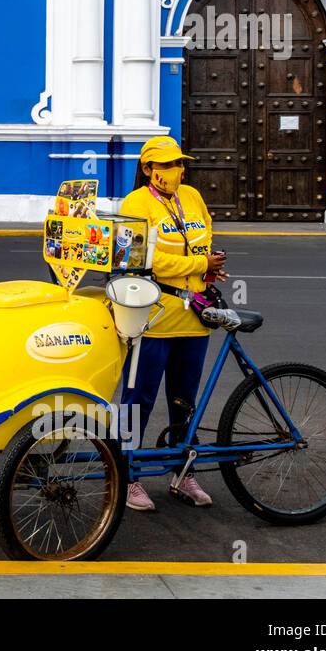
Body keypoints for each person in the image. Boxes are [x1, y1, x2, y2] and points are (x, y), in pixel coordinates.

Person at [118, 136, 228, 512]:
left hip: (193, 317)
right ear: (148, 169)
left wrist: (210, 263)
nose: (176, 171)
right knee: (139, 399)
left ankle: (182, 472)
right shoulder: (136, 204)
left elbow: (202, 236)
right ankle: (127, 475)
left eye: (179, 164)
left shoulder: (192, 197)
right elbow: (145, 260)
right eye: (166, 166)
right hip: (153, 317)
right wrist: (200, 266)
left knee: (184, 401)